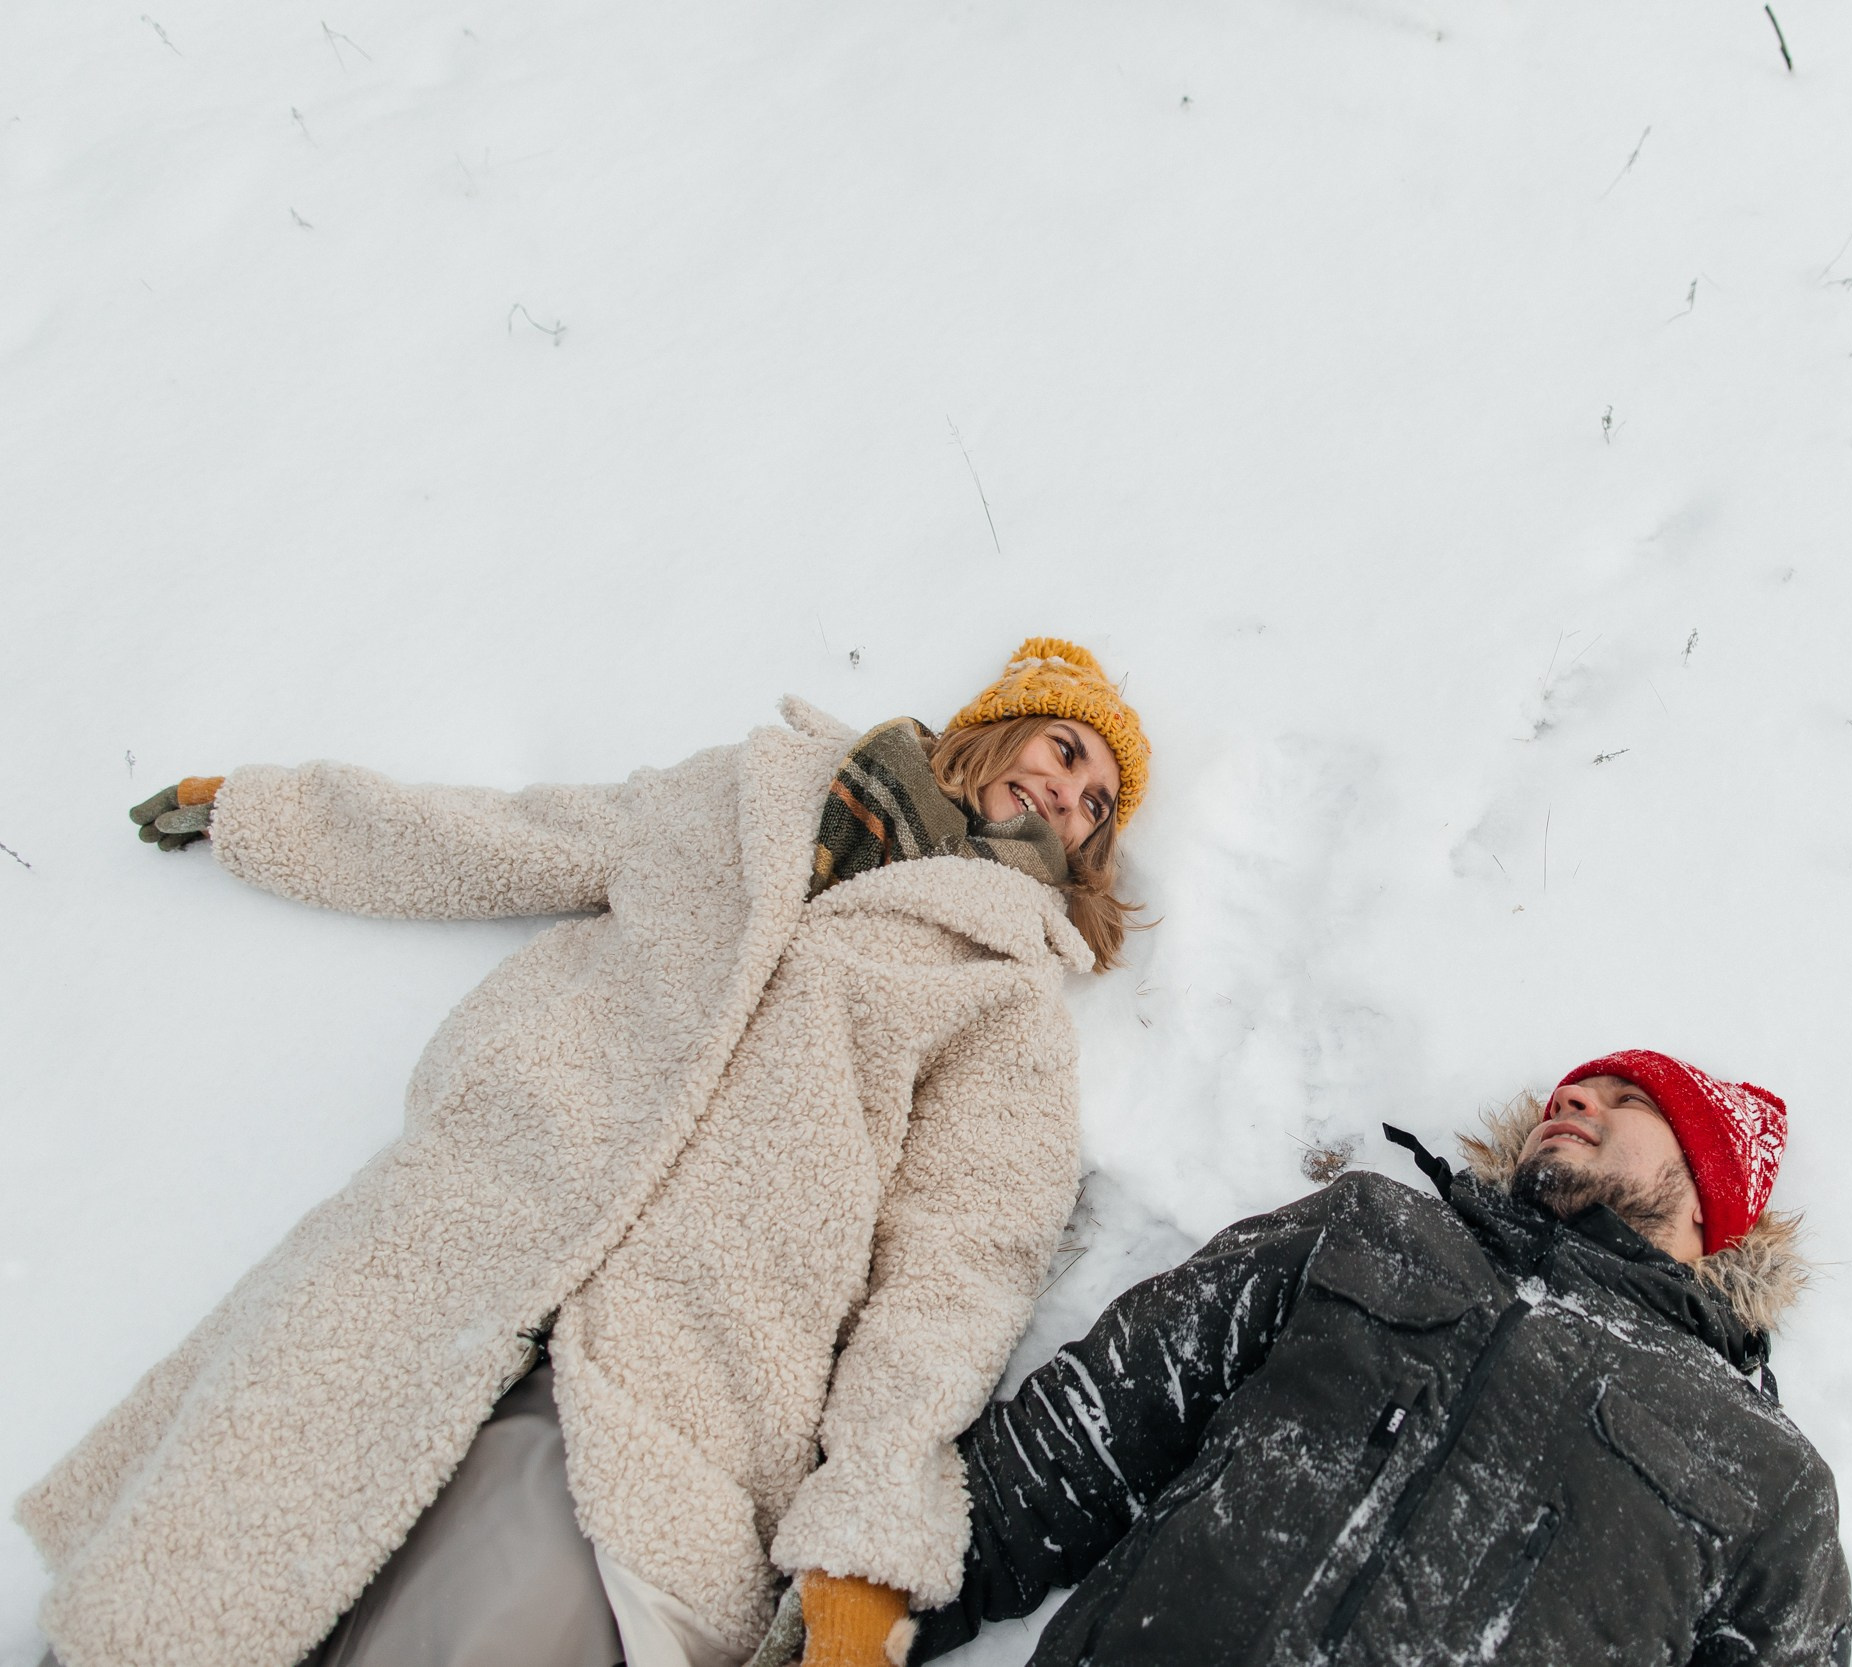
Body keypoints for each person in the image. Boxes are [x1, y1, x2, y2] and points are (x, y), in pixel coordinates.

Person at [18, 640, 1152, 1667]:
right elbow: (513, 836)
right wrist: (273, 814)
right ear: (995, 726)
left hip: (679, 1371)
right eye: (1065, 750)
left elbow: (962, 1267)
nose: (1070, 793)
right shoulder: (748, 794)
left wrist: (864, 1532)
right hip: (471, 1230)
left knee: (480, 1617)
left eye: (1097, 802)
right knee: (228, 1554)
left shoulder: (1003, 990)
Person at [842, 1048, 1850, 1667]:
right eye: (1573, 1084)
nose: (1575, 1094)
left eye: (1627, 1098)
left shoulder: (1763, 1470)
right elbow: (1081, 1439)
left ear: (1708, 1192)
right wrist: (856, 1614)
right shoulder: (1370, 1226)